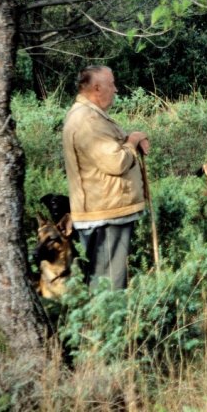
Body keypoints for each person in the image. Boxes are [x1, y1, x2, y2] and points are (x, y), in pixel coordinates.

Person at [62, 66, 150, 289]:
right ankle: (106, 323)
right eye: (112, 84)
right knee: (109, 286)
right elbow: (116, 162)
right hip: (105, 214)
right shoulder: (88, 120)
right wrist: (133, 140)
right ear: (97, 88)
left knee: (106, 279)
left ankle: (105, 321)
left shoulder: (89, 115)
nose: (116, 89)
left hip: (105, 210)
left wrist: (130, 140)